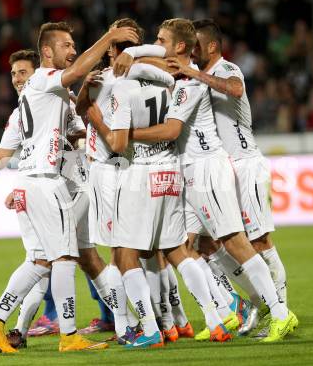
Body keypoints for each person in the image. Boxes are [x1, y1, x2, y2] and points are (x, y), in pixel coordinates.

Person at [114, 17, 297, 343]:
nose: (157, 44)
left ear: (179, 47)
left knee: (238, 243)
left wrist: (124, 135)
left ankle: (280, 312)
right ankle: (226, 311)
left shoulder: (194, 83)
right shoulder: (181, 78)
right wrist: (130, 56)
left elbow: (171, 130)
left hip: (209, 170)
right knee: (191, 247)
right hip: (191, 174)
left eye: (162, 39)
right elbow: (150, 66)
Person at [0, 21, 139, 353]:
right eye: (66, 45)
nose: (73, 50)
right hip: (47, 184)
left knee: (40, 260)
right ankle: (68, 335)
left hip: (36, 182)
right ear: (47, 52)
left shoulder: (31, 102)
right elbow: (77, 70)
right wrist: (109, 36)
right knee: (64, 257)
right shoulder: (43, 80)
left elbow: (3, 155)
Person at [87, 18, 233, 349]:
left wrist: (97, 120)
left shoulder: (120, 90)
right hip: (170, 172)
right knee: (176, 250)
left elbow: (119, 144)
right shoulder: (170, 81)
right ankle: (214, 319)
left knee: (124, 254)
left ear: (116, 58)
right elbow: (159, 57)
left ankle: (150, 329)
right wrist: (139, 52)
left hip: (140, 174)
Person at [167, 18, 297, 337]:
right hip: (217, 169)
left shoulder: (227, 69)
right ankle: (243, 307)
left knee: (257, 241)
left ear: (212, 46)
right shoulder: (193, 80)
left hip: (244, 164)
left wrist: (195, 73)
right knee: (205, 244)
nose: (192, 49)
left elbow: (236, 90)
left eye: (197, 44)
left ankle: (280, 310)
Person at [77, 18, 178, 344]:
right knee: (152, 252)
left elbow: (87, 115)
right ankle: (167, 320)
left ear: (113, 48)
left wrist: (93, 113)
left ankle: (135, 326)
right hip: (138, 169)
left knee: (122, 255)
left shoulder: (112, 80)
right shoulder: (159, 78)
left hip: (109, 170)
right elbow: (82, 108)